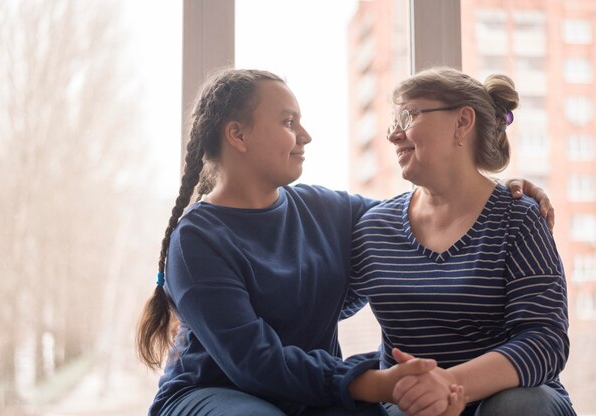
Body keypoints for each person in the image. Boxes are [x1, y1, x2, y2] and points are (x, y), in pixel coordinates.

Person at [135, 68, 548, 416]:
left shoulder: (327, 209)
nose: (306, 136)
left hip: (311, 387)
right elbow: (256, 363)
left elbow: (432, 213)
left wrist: (499, 191)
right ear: (238, 135)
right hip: (218, 390)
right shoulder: (195, 240)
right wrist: (378, 383)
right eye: (288, 122)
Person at [349, 66, 575, 416]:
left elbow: (545, 342)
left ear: (463, 122)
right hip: (413, 405)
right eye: (392, 122)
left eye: (407, 116)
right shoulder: (374, 227)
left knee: (519, 406)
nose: (393, 135)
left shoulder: (519, 218)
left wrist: (448, 386)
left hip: (508, 400)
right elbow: (323, 306)